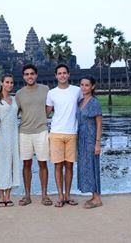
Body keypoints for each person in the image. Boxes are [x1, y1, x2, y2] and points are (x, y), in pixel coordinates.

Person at [15, 64, 52, 206]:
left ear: (36, 75)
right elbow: (14, 112)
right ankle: (27, 195)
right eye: (26, 74)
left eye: (32, 74)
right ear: (23, 77)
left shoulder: (45, 90)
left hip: (41, 131)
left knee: (43, 163)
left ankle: (44, 195)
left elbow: (50, 107)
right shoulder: (19, 94)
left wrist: (43, 117)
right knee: (26, 164)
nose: (29, 76)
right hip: (24, 132)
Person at [46, 64, 82, 207]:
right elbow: (47, 111)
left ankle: (68, 195)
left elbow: (83, 105)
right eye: (59, 73)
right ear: (56, 76)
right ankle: (60, 196)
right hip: (56, 133)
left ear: (68, 75)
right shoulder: (51, 93)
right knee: (57, 166)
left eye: (64, 73)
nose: (62, 75)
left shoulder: (77, 91)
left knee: (69, 166)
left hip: (72, 132)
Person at [0, 74, 20, 207]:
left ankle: (8, 196)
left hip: (13, 136)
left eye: (11, 83)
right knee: (0, 164)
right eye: (7, 82)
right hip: (0, 137)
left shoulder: (14, 99)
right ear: (1, 83)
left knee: (11, 164)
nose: (10, 85)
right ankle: (1, 196)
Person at [77, 75, 103, 209]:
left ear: (92, 86)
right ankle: (93, 195)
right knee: (85, 167)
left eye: (87, 85)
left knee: (93, 167)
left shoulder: (94, 102)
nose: (84, 87)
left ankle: (97, 198)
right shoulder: (80, 102)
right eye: (82, 85)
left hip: (91, 139)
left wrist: (97, 143)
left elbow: (99, 124)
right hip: (81, 140)